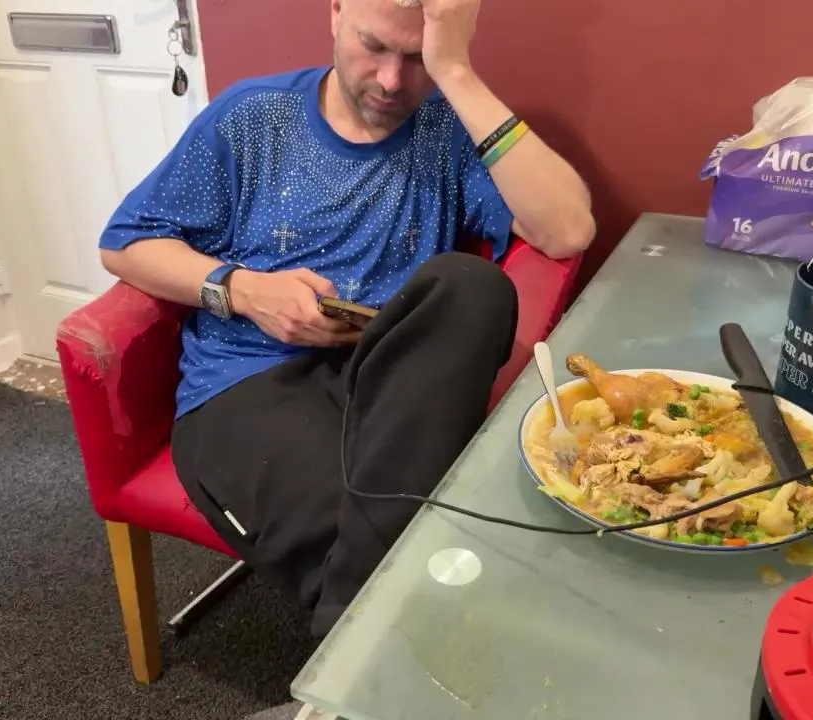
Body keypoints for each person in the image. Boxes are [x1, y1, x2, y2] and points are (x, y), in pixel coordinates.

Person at [98, 0, 594, 640]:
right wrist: (245, 291)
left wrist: (456, 73)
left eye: (416, 59)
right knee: (392, 539)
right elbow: (125, 244)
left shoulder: (447, 130)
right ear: (335, 12)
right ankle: (378, 636)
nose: (391, 81)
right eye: (374, 46)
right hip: (248, 382)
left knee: (472, 286)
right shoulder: (253, 116)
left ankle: (355, 646)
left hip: (388, 384)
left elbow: (568, 229)